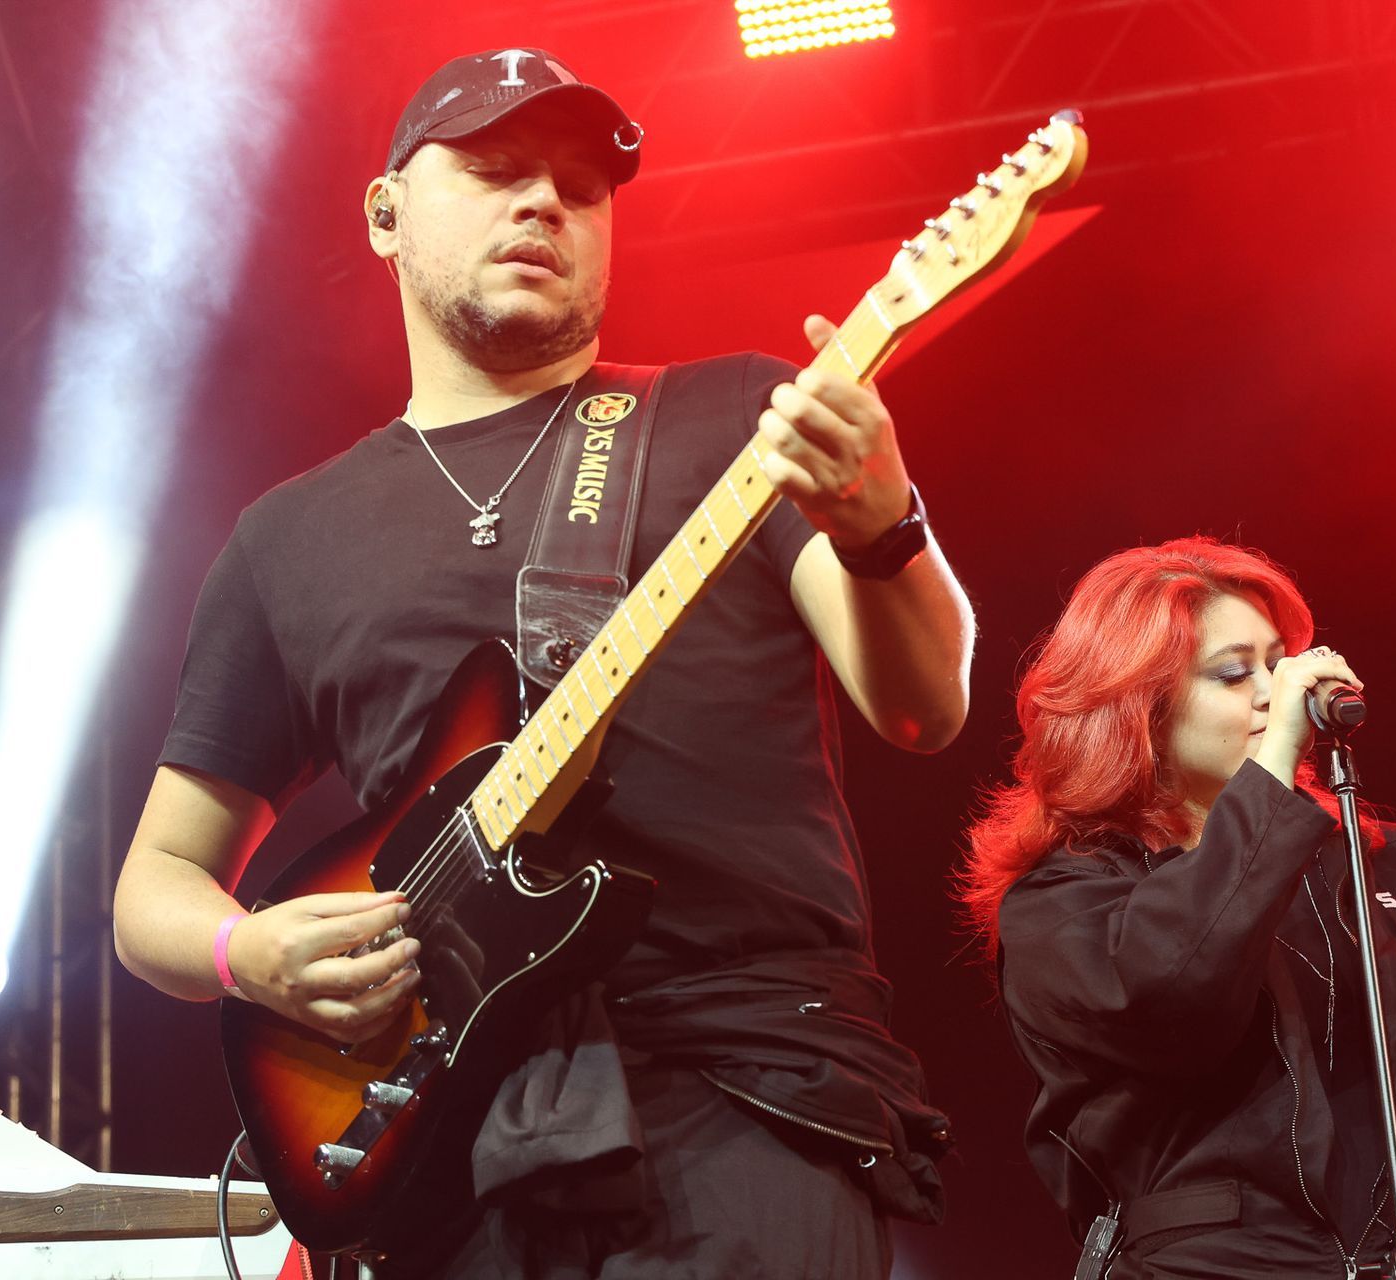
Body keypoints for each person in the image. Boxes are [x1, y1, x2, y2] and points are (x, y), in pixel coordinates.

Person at [111, 47, 974, 1278]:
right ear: (385, 213)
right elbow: (155, 885)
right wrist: (245, 953)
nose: (545, 204)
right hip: (445, 1139)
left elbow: (924, 706)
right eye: (496, 170)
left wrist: (884, 527)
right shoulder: (286, 539)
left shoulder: (737, 418)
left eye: (581, 187)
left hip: (752, 1097)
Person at [958, 536, 1396, 1279]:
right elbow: (1173, 995)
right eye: (1234, 673)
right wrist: (1270, 779)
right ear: (1140, 708)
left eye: (1277, 663)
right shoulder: (1065, 902)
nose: (1277, 693)